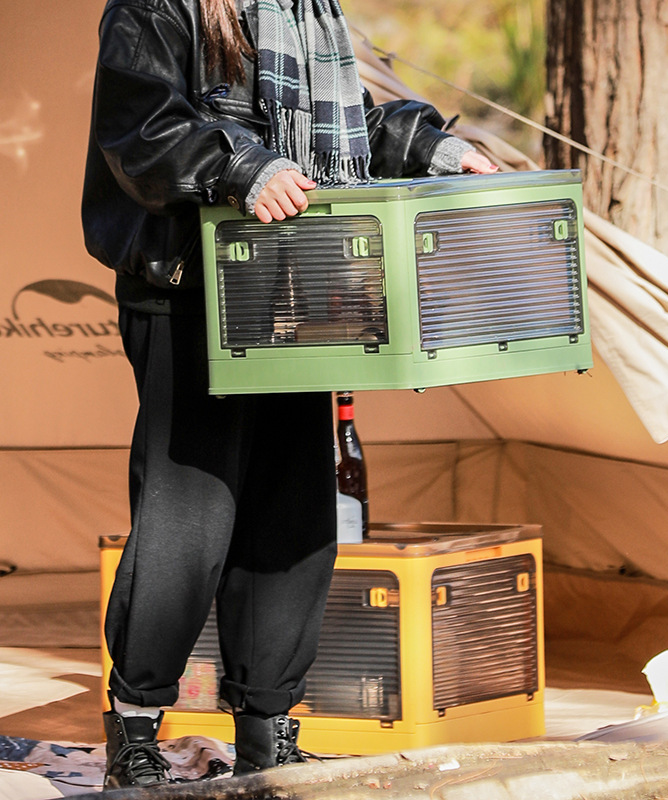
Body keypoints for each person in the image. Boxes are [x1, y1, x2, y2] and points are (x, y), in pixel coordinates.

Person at [82, 0, 497, 789]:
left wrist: (432, 148)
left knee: (293, 513)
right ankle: (135, 734)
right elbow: (141, 130)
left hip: (296, 288)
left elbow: (348, 128)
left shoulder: (305, 13)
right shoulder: (153, 6)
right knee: (189, 518)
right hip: (188, 292)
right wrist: (242, 168)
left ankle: (268, 734)